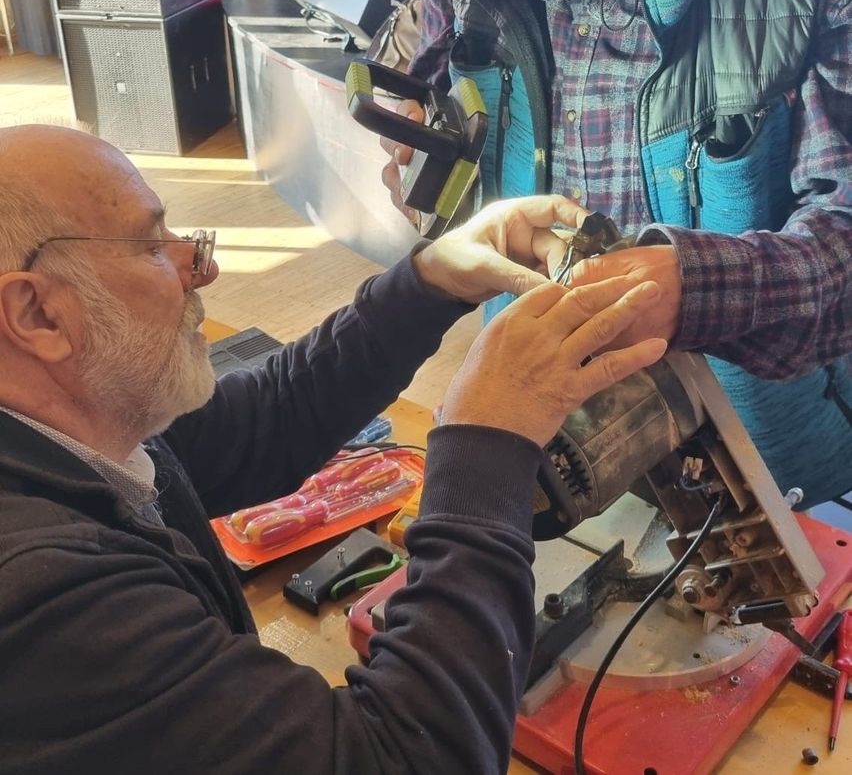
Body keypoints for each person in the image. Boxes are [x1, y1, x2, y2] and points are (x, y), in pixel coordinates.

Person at [0, 124, 666, 774]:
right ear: (37, 314)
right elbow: (417, 757)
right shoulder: (42, 601)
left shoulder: (77, 425)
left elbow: (260, 423)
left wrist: (432, 281)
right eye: (152, 247)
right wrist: (485, 443)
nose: (204, 267)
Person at [379, 0, 852, 509]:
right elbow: (434, 111)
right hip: (548, 445)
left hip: (764, 466)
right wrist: (425, 171)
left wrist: (698, 290)